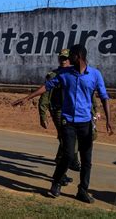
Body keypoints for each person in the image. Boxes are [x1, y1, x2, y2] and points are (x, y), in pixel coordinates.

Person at [12, 44, 113, 203]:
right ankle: (56, 183)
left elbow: (104, 96)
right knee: (68, 155)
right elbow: (46, 87)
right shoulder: (64, 74)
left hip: (85, 123)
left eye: (70, 55)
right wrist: (27, 98)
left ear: (78, 56)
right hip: (68, 122)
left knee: (86, 160)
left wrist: (109, 120)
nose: (67, 59)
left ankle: (83, 190)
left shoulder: (95, 74)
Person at [38, 49, 79, 187]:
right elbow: (45, 96)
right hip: (59, 111)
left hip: (73, 111)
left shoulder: (75, 73)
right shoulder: (53, 75)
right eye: (61, 58)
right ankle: (60, 174)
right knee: (65, 140)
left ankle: (63, 163)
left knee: (70, 140)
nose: (63, 61)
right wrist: (42, 114)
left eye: (66, 58)